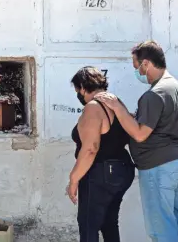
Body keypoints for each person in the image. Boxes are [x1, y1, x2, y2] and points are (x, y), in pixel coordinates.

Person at [95, 40, 178, 242]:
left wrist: (117, 107)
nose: (137, 72)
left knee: (161, 229)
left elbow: (139, 134)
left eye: (137, 67)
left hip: (158, 167)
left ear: (146, 63)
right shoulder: (177, 88)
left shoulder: (154, 94)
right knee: (175, 220)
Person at [66, 66, 135, 242]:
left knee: (89, 225)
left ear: (82, 87)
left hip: (101, 172)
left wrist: (73, 179)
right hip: (123, 169)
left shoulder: (93, 108)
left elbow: (91, 148)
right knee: (109, 223)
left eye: (77, 90)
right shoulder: (116, 103)